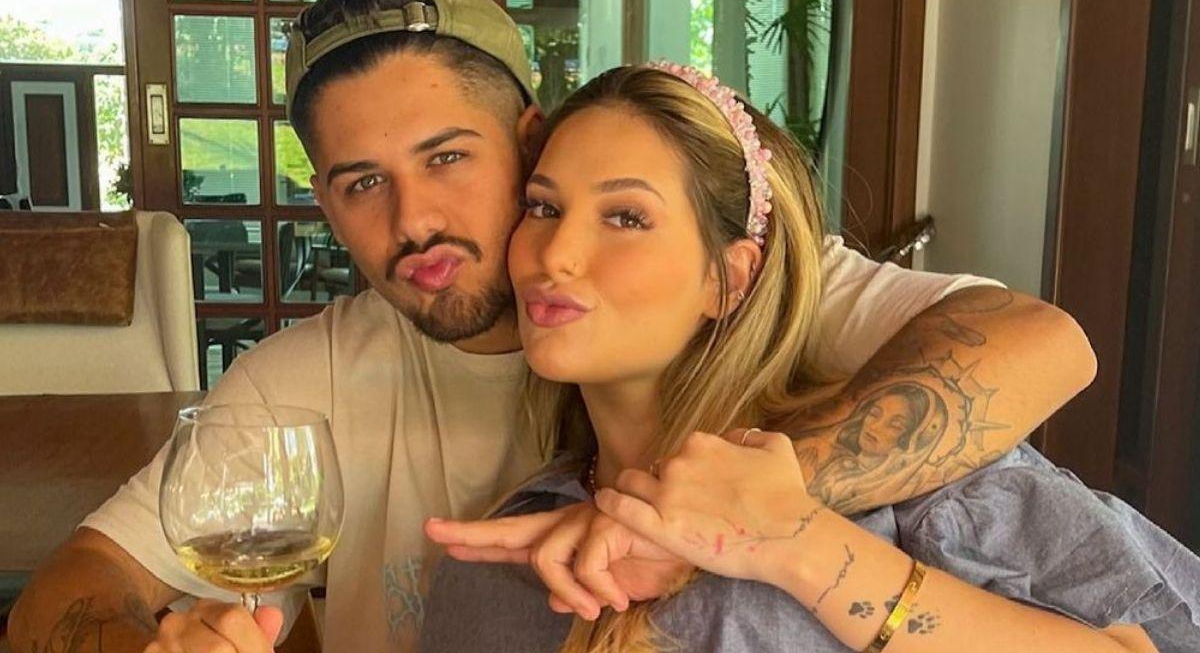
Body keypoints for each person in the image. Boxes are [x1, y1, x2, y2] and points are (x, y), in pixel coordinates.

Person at [9, 0, 1096, 653]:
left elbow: (1042, 342)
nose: (414, 219)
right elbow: (67, 590)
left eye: (448, 157)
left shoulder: (741, 288)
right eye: (361, 182)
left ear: (532, 139)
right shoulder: (313, 386)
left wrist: (749, 505)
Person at [419, 63, 1199, 652]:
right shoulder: (504, 558)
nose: (555, 253)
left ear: (729, 279)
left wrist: (802, 546)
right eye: (543, 207)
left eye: (626, 217)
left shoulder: (913, 485)